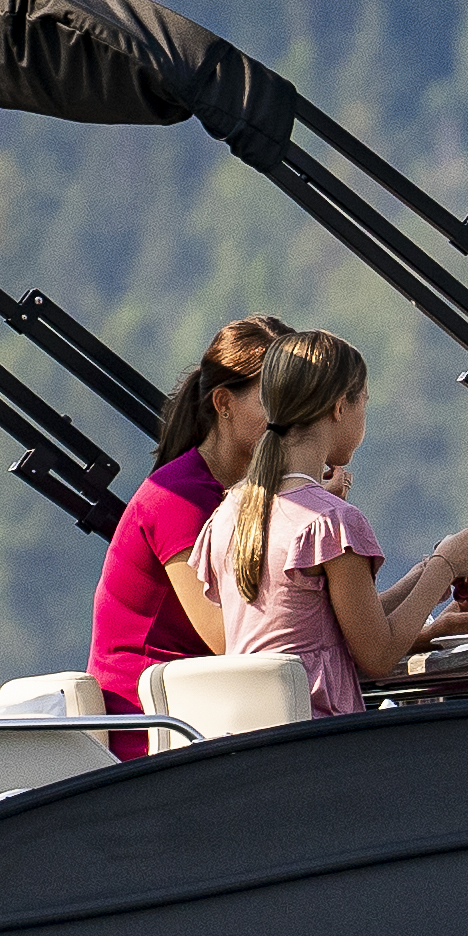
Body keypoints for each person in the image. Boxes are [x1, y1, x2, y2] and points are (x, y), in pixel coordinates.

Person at [189, 331, 468, 718]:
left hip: (257, 741)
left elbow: (325, 625)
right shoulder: (331, 522)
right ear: (339, 408)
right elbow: (378, 654)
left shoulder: (229, 513)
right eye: (363, 403)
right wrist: (445, 566)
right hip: (321, 742)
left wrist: (421, 577)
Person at [88, 315, 287, 760]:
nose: (290, 419)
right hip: (151, 734)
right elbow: (228, 636)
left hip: (205, 717)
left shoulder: (241, 498)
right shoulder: (180, 498)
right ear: (224, 404)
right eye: (274, 399)